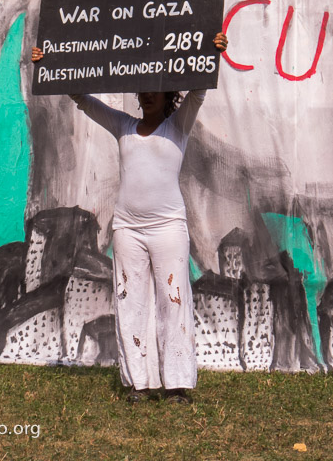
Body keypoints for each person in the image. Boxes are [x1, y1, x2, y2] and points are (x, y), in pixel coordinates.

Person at [30, 32, 228, 404]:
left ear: (169, 96)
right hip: (128, 231)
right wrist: (47, 64)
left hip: (168, 229)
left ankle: (177, 385)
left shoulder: (178, 127)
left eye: (157, 89)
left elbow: (200, 91)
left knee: (173, 300)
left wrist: (213, 52)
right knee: (131, 302)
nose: (149, 94)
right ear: (137, 96)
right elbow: (82, 100)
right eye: (144, 89)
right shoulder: (122, 125)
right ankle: (139, 383)